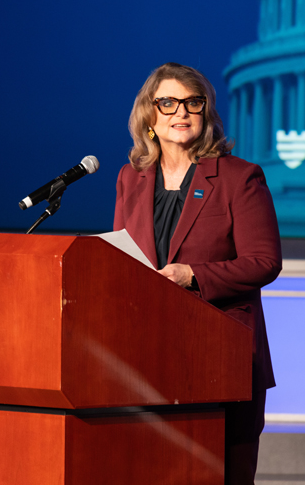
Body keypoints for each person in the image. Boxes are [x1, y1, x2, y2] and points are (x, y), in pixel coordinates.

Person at [113, 62, 282, 485]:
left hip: (220, 355)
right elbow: (120, 259)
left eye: (192, 102)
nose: (180, 112)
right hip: (147, 358)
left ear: (206, 113)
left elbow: (264, 261)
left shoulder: (239, 177)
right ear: (149, 116)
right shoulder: (130, 179)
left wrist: (193, 275)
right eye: (167, 103)